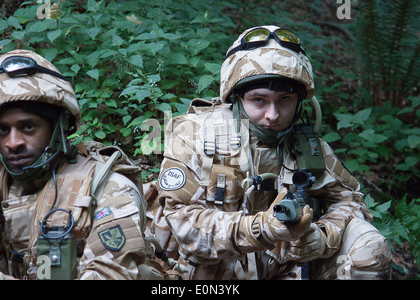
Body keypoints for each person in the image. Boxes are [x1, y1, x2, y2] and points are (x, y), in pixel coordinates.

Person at [151, 25, 392, 280]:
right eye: (259, 100)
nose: (273, 115)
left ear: (299, 101)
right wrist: (262, 228)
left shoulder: (307, 145)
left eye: (285, 100)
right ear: (236, 97)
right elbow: (182, 224)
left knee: (370, 250)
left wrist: (323, 236)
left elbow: (350, 200)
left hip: (282, 269)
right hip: (209, 275)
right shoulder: (194, 134)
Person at [0, 49, 157, 280]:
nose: (13, 142)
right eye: (2, 130)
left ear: (58, 126)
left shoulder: (107, 188)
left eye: (28, 126)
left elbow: (110, 275)